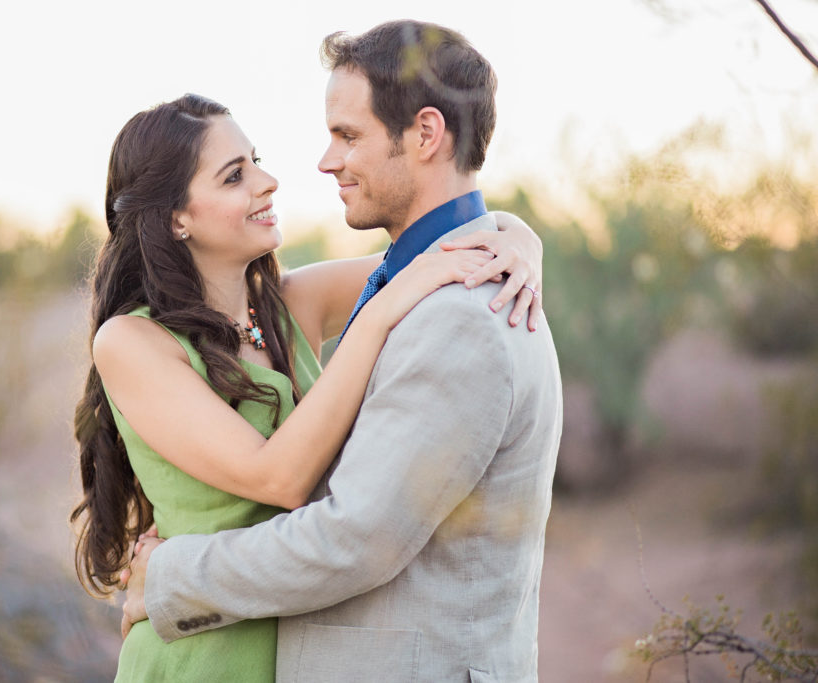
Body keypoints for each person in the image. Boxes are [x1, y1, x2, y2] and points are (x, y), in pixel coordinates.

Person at [119, 20, 564, 683]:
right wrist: (509, 233)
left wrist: (166, 575)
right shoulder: (413, 283)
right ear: (175, 215)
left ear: (425, 134)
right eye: (235, 174)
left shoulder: (456, 319)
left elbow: (351, 538)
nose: (322, 163)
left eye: (348, 136)